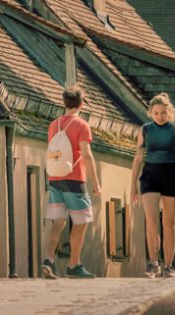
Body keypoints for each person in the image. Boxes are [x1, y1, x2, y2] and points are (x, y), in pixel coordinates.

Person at [130, 93, 175, 278]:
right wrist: (133, 184)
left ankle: (169, 266)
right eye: (156, 113)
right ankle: (153, 263)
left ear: (169, 112)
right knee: (151, 221)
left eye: (164, 113)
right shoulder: (145, 130)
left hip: (171, 176)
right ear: (151, 113)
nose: (160, 116)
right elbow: (137, 157)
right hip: (150, 175)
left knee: (169, 224)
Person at [42, 86, 101, 279]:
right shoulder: (82, 125)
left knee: (58, 222)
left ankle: (48, 260)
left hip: (55, 178)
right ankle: (74, 265)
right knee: (81, 222)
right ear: (81, 104)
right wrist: (95, 182)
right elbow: (86, 154)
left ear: (64, 102)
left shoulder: (54, 124)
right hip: (74, 178)